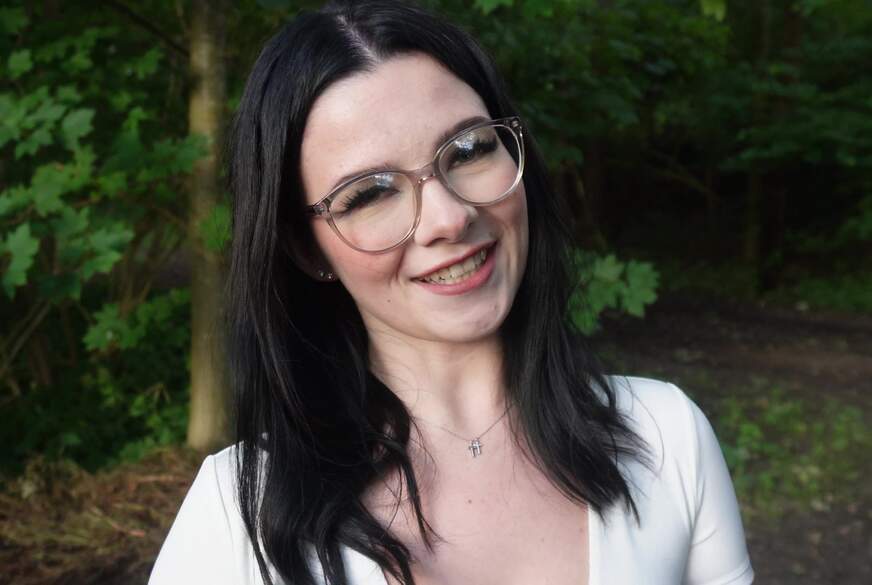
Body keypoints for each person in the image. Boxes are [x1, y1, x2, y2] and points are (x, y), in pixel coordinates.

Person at [149, 1, 754, 584]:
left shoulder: (666, 439)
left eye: (468, 150)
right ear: (307, 250)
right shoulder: (235, 519)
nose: (449, 217)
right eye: (370, 193)